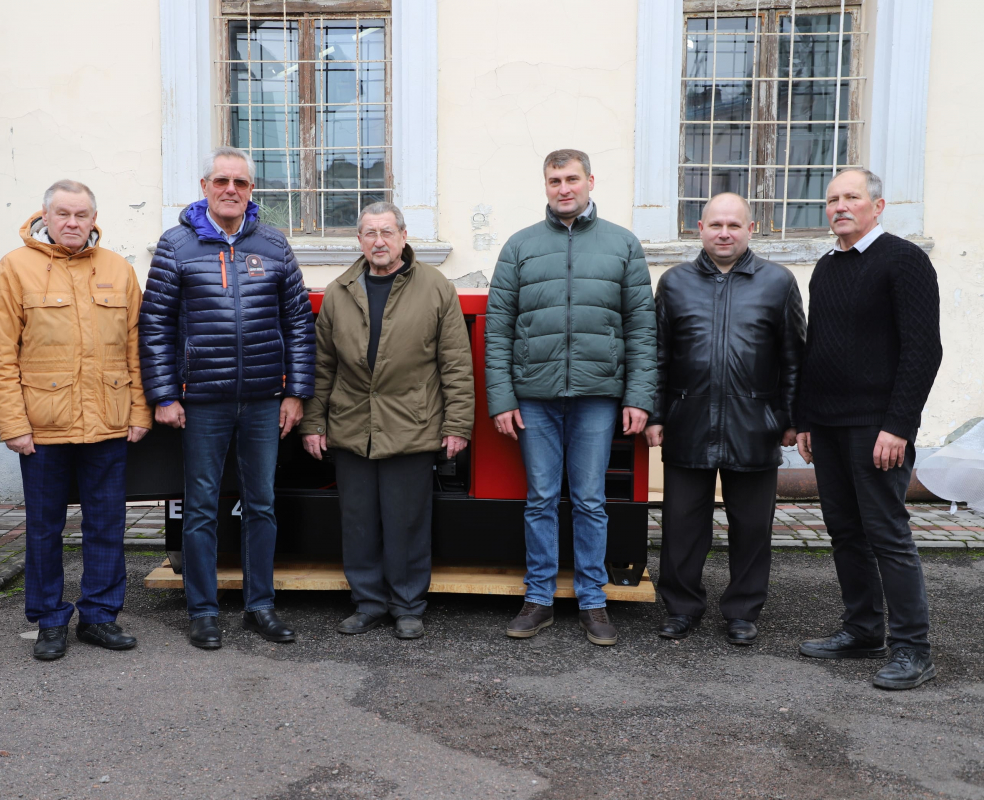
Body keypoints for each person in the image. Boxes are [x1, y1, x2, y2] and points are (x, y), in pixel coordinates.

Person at [139, 146, 316, 650]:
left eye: (240, 182)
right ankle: (202, 610)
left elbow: (299, 324)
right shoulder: (176, 246)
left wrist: (296, 391)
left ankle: (260, 605)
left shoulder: (275, 245)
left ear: (251, 190)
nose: (230, 189)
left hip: (264, 399)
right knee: (200, 507)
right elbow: (154, 326)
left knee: (261, 504)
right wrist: (163, 394)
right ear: (205, 186)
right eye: (221, 181)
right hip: (202, 401)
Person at [484, 149, 656, 644]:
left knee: (589, 500)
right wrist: (502, 399)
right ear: (545, 185)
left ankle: (593, 602)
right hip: (534, 397)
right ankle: (537, 599)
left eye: (572, 179)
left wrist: (638, 397)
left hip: (598, 396)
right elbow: (498, 331)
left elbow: (641, 329)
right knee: (539, 499)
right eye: (555, 180)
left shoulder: (622, 245)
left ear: (590, 182)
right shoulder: (520, 247)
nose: (564, 188)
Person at [0, 180, 151, 661]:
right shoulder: (15, 268)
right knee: (43, 528)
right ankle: (50, 619)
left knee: (107, 523)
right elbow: (1, 353)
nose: (73, 223)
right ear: (45, 215)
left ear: (94, 218)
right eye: (63, 214)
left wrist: (139, 410)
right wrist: (13, 424)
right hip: (43, 425)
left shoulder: (117, 269)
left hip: (108, 420)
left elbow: (135, 349)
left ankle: (100, 616)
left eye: (82, 215)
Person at [795, 168, 942, 690]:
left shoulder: (904, 260)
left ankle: (912, 649)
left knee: (888, 535)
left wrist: (898, 425)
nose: (840, 206)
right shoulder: (827, 267)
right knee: (845, 533)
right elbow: (819, 349)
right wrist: (806, 418)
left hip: (878, 428)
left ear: (877, 207)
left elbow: (924, 351)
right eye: (832, 199)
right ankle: (862, 631)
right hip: (829, 426)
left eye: (851, 197)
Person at [299, 202, 474, 640]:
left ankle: (408, 606)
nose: (379, 241)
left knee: (407, 522)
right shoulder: (340, 291)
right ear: (359, 240)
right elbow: (323, 367)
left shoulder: (435, 287)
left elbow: (455, 363)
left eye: (387, 232)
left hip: (412, 423)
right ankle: (368, 603)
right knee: (358, 521)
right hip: (351, 424)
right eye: (369, 233)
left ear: (403, 236)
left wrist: (457, 425)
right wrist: (313, 423)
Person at [645, 192, 805, 645]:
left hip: (755, 422)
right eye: (716, 225)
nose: (724, 233)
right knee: (681, 524)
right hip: (687, 419)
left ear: (751, 229)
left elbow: (795, 356)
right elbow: (657, 356)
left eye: (734, 225)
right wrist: (657, 414)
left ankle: (742, 611)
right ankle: (681, 607)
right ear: (700, 228)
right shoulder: (674, 283)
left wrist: (790, 417)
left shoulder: (778, 282)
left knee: (752, 525)